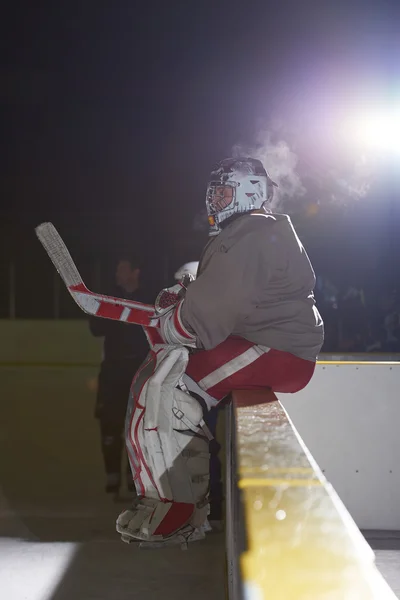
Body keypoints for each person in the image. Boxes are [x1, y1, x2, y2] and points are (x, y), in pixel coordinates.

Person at [117, 157, 324, 545]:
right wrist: (185, 297)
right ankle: (174, 503)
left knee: (170, 392)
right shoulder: (249, 231)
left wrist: (172, 319)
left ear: (250, 193)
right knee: (160, 378)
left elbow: (205, 315)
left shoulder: (252, 234)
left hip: (277, 349)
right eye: (213, 192)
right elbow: (224, 296)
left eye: (224, 192)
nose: (215, 201)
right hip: (265, 342)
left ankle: (179, 509)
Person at [90, 257, 149, 499]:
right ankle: (112, 478)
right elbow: (95, 329)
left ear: (135, 271)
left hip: (139, 374)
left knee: (136, 428)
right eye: (116, 269)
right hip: (112, 374)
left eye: (122, 269)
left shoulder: (148, 300)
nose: (117, 273)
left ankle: (133, 478)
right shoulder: (109, 299)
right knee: (109, 425)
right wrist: (103, 309)